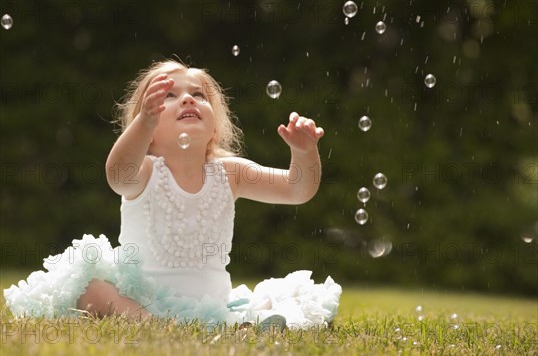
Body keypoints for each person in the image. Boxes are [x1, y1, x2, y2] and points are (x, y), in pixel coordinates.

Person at [4, 59, 341, 328]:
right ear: (146, 131)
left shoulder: (230, 173)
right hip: (142, 295)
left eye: (198, 94)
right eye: (167, 96)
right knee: (92, 288)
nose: (186, 98)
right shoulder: (146, 171)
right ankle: (147, 322)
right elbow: (117, 176)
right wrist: (143, 123)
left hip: (212, 302)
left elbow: (298, 189)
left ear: (214, 126)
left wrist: (304, 152)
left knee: (281, 299)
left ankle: (246, 322)